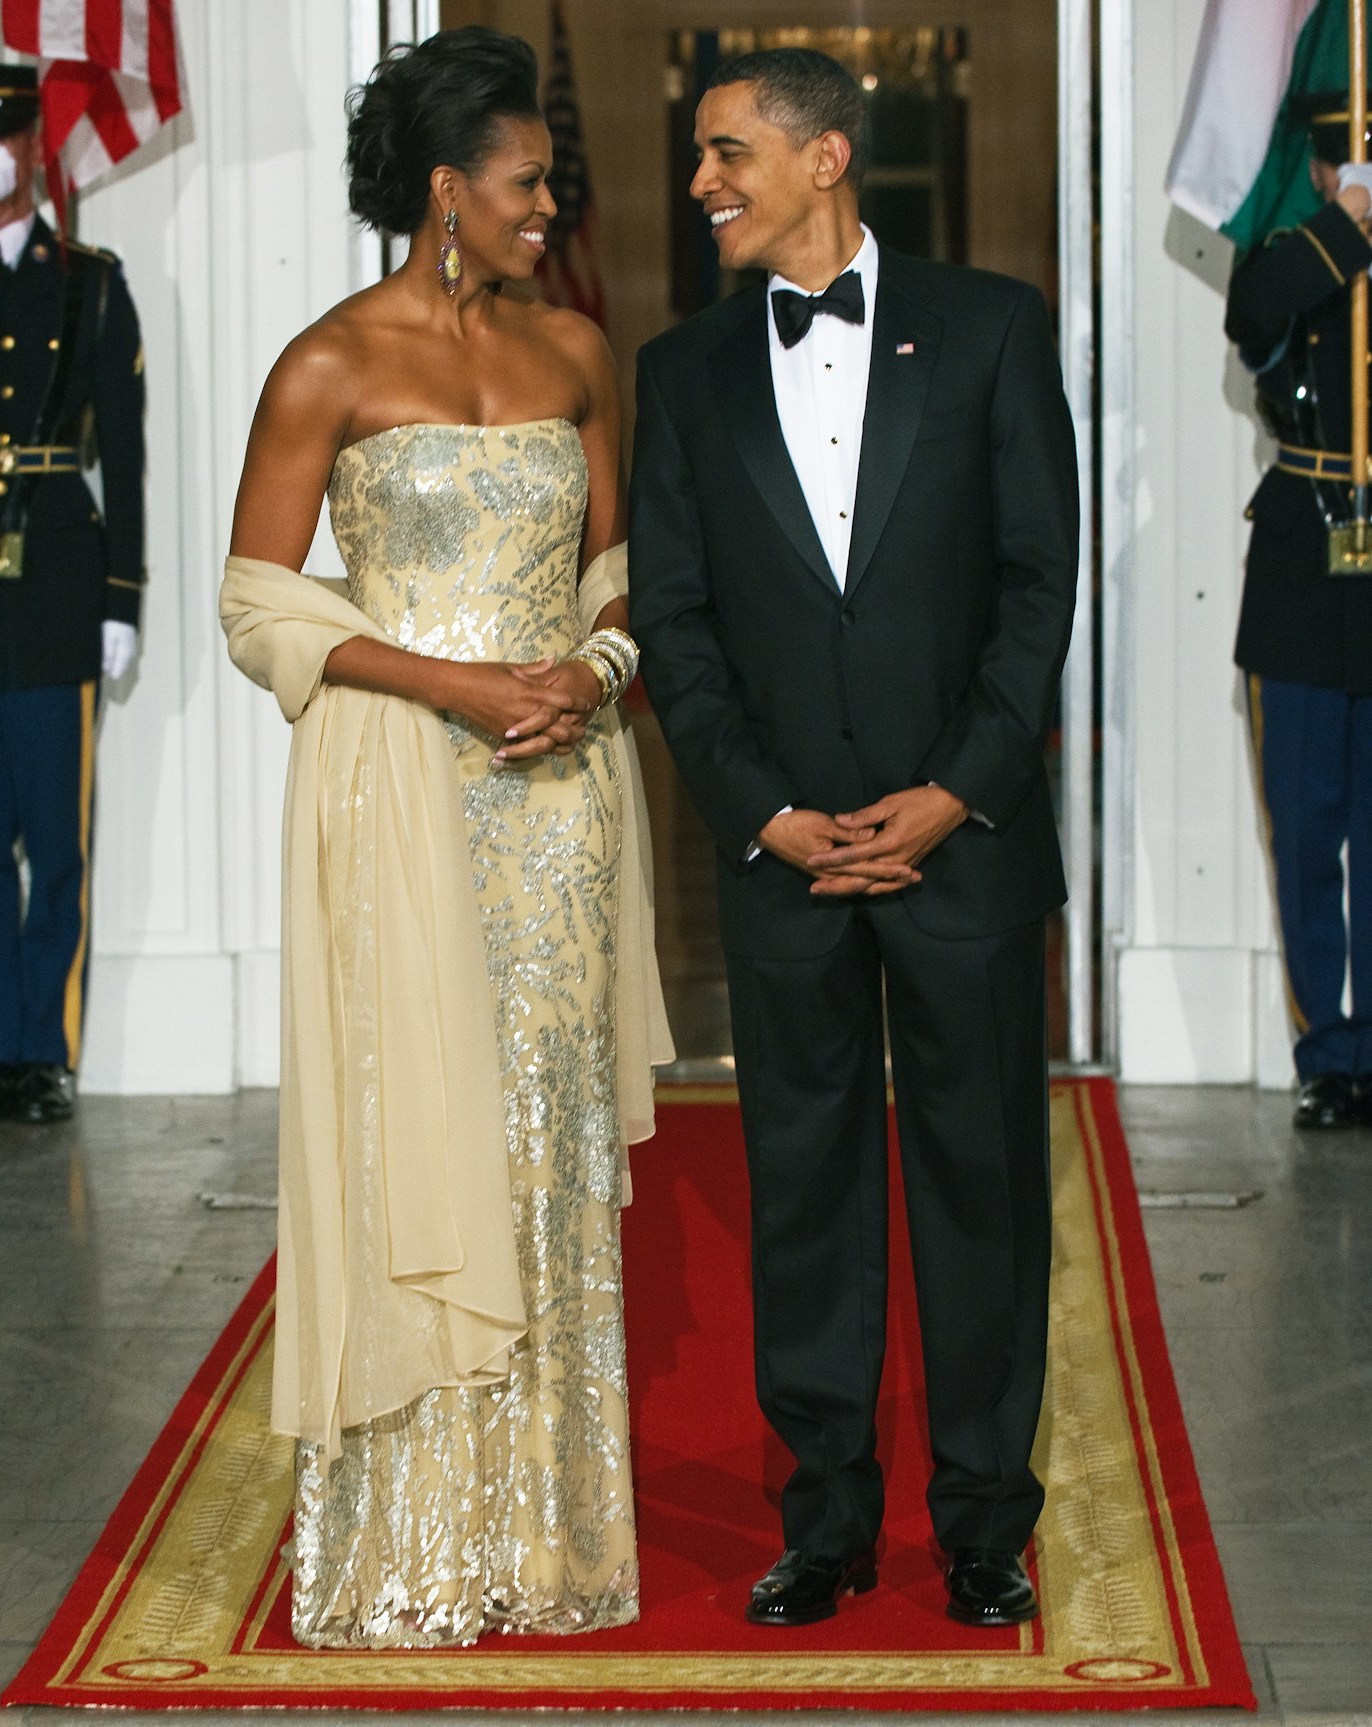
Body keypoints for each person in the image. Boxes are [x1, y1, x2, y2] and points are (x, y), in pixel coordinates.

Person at [220, 28, 671, 1649]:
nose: (552, 205)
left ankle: (545, 1540)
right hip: (400, 791)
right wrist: (458, 685)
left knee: (540, 1138)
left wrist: (593, 674)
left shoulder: (574, 355)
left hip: (559, 809)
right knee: (412, 1126)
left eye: (550, 179)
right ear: (444, 189)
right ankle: (409, 1547)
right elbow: (258, 599)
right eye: (528, 179)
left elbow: (619, 573)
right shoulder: (327, 366)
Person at [629, 49, 1078, 1629]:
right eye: (698, 157)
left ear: (826, 160)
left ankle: (983, 1524)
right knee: (803, 1190)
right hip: (783, 858)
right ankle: (822, 1519)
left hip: (962, 847)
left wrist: (954, 792)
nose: (703, 183)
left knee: (983, 1190)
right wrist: (766, 813)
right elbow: (674, 628)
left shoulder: (994, 328)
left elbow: (1039, 585)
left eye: (727, 152)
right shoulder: (679, 374)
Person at [0, 62, 144, 1127]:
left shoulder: (90, 281)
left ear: (33, 151)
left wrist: (123, 598)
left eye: (2, 141)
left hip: (57, 578)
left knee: (53, 843)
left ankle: (44, 1054)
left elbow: (131, 459)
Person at [1225, 95, 1372, 1132]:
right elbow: (1255, 314)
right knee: (1309, 823)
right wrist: (1347, 230)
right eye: (1342, 163)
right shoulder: (1294, 253)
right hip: (1305, 567)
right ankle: (1330, 1050)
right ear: (1319, 170)